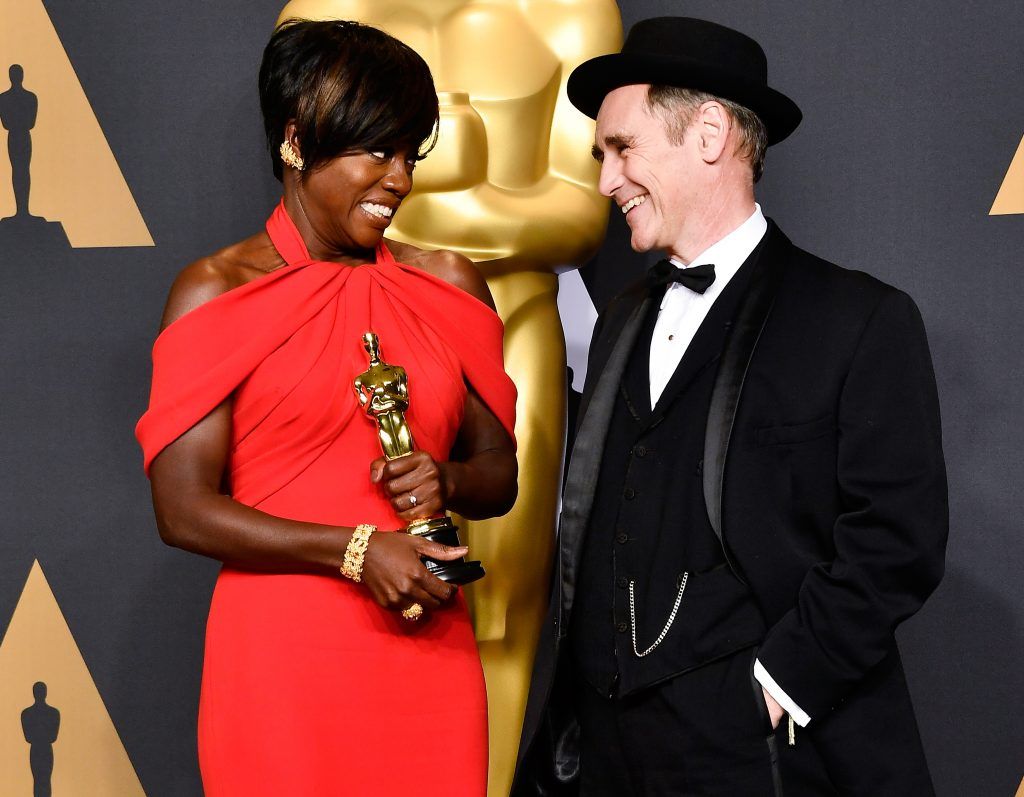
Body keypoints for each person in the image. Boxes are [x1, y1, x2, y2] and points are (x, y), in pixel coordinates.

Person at [514, 16, 947, 797]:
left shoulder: (858, 319)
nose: (606, 180)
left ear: (709, 133)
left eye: (622, 148)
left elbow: (897, 535)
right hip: (608, 758)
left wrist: (782, 681)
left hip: (762, 759)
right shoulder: (618, 320)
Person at [135, 20, 517, 797]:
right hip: (280, 662)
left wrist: (444, 478)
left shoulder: (452, 285)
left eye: (410, 153)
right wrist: (355, 549)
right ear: (297, 141)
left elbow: (500, 475)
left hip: (427, 651)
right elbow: (182, 509)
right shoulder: (216, 290)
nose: (400, 179)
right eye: (376, 150)